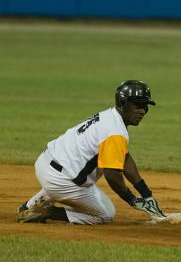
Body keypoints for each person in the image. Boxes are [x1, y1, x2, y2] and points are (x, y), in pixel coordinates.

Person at [16, 80, 166, 225]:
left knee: (76, 174)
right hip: (61, 180)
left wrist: (146, 194)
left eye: (145, 106)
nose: (142, 111)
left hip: (46, 163)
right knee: (105, 214)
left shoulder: (110, 116)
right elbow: (112, 174)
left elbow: (124, 158)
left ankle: (29, 207)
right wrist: (132, 200)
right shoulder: (115, 132)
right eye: (137, 105)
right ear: (123, 103)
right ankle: (49, 212)